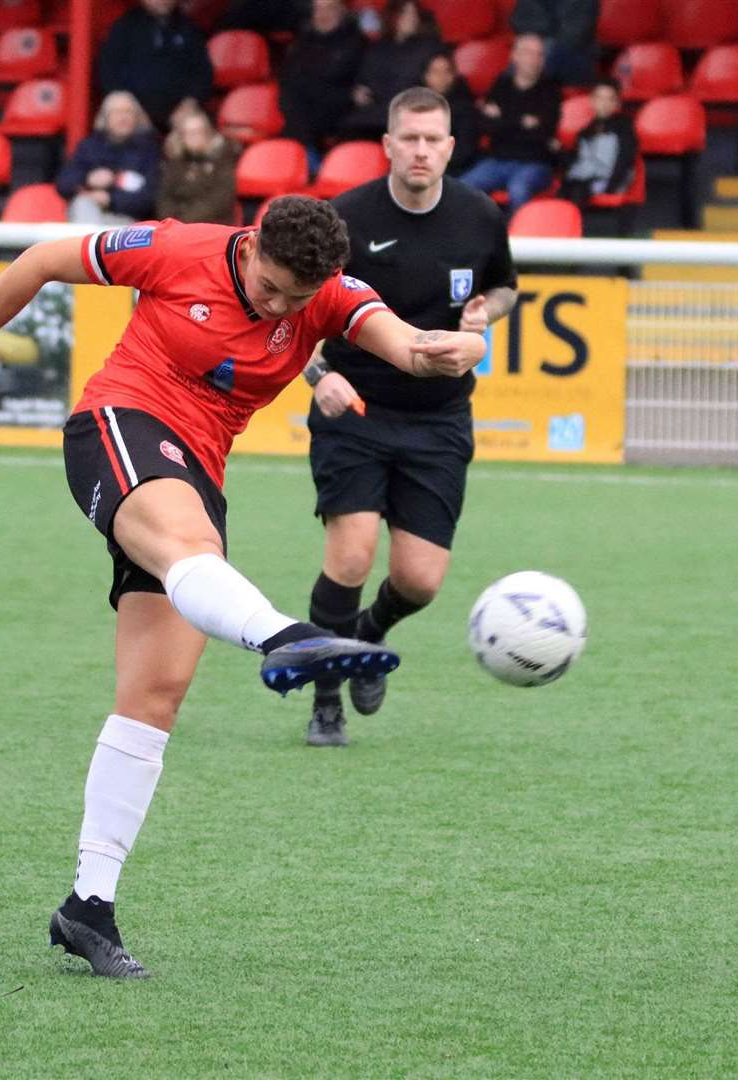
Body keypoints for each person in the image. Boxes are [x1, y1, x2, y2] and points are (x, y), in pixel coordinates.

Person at [0, 195, 487, 978]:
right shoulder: (177, 249)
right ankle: (287, 637)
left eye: (295, 299)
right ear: (249, 247)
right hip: (121, 423)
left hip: (196, 468)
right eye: (270, 286)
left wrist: (444, 351)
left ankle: (88, 906)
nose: (278, 307)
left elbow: (407, 346)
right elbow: (45, 259)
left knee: (156, 695)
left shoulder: (328, 293)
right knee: (191, 544)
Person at [298, 87, 518, 747]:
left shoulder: (479, 216)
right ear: (388, 145)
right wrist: (320, 376)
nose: (421, 150)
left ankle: (367, 635)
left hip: (438, 420)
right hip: (356, 410)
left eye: (433, 140)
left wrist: (486, 315)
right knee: (351, 556)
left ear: (449, 148)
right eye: (409, 139)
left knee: (419, 581)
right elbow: (295, 311)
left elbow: (504, 285)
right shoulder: (344, 220)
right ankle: (326, 701)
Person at [461, 33, 564, 213]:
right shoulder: (500, 85)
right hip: (497, 160)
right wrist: (522, 122)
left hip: (535, 163)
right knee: (464, 186)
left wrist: (503, 119)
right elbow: (486, 127)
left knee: (518, 189)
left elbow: (543, 133)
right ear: (514, 56)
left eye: (539, 54)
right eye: (528, 52)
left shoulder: (551, 90)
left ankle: (519, 238)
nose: (534, 59)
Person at [97, 0, 214, 134]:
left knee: (196, 127)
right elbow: (108, 72)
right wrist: (132, 108)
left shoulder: (189, 28)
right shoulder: (124, 27)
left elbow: (203, 73)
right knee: (118, 115)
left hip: (179, 111)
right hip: (134, 109)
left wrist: (190, 103)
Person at [339, 0, 444, 141]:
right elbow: (364, 80)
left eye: (414, 14)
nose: (411, 18)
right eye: (405, 13)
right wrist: (357, 92)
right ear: (393, 17)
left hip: (407, 114)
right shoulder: (377, 48)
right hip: (372, 114)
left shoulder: (430, 48)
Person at [56, 92, 163, 226]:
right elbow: (63, 184)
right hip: (88, 212)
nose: (123, 118)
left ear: (137, 117)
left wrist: (109, 199)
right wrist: (88, 179)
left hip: (130, 222)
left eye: (128, 112)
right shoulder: (89, 146)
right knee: (82, 205)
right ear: (104, 118)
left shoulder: (149, 150)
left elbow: (152, 198)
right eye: (117, 112)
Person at [279, 0, 366, 162]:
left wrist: (343, 94)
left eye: (329, 9)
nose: (323, 15)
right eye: (318, 10)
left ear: (341, 12)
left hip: (338, 112)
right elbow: (290, 81)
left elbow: (355, 91)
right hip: (302, 113)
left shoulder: (356, 43)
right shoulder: (302, 43)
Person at [558, 78, 637, 207]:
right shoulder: (586, 131)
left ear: (617, 103)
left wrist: (611, 186)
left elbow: (625, 159)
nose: (604, 104)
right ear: (592, 101)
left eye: (610, 99)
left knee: (577, 191)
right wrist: (560, 150)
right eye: (600, 98)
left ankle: (572, 225)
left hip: (610, 180)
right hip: (584, 180)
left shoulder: (624, 127)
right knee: (563, 190)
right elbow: (578, 161)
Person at [156, 109, 241, 224]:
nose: (193, 137)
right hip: (176, 225)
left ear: (208, 133)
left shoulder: (224, 159)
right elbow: (164, 197)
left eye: (197, 132)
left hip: (212, 223)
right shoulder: (176, 162)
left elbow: (220, 200)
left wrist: (185, 222)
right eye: (188, 133)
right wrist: (170, 221)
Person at [508, 0, 599, 86]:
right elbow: (519, 20)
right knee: (527, 51)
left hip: (574, 54)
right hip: (541, 43)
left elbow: (575, 33)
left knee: (535, 54)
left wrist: (543, 32)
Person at [421, 51, 480, 174]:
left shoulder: (466, 108)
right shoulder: (415, 105)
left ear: (453, 76)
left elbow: (464, 150)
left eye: (446, 72)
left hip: (452, 169)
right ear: (426, 76)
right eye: (436, 72)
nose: (441, 77)